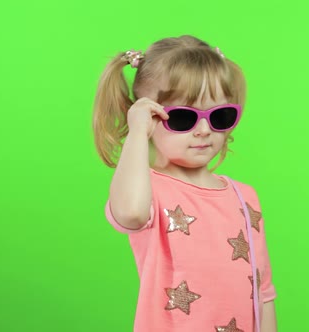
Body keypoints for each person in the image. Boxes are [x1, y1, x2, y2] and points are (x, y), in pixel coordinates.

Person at [92, 35, 277, 332]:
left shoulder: (245, 196)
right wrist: (137, 132)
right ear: (151, 116)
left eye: (220, 115)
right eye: (182, 118)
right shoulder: (149, 191)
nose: (204, 130)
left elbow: (263, 292)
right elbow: (130, 213)